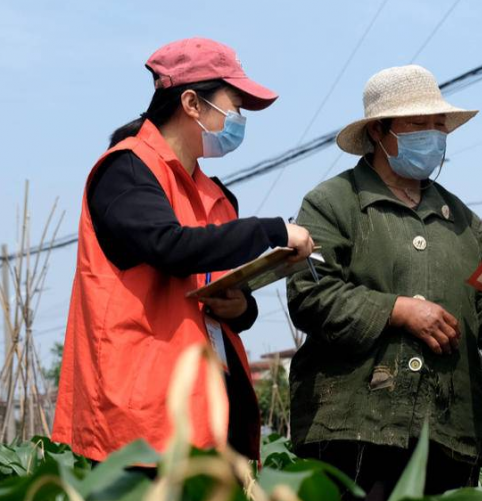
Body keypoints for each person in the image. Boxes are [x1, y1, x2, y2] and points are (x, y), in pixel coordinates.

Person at [52, 38, 315, 463]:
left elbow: (214, 289)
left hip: (209, 411)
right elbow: (170, 247)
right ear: (192, 102)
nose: (239, 118)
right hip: (140, 425)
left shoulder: (215, 195)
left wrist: (240, 308)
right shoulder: (126, 170)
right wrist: (273, 231)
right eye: (235, 104)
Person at [286, 65, 482, 500]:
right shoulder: (333, 203)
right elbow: (310, 295)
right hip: (357, 428)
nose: (434, 136)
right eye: (419, 125)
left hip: (449, 430)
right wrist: (397, 310)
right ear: (381, 132)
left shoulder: (463, 221)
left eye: (440, 126)